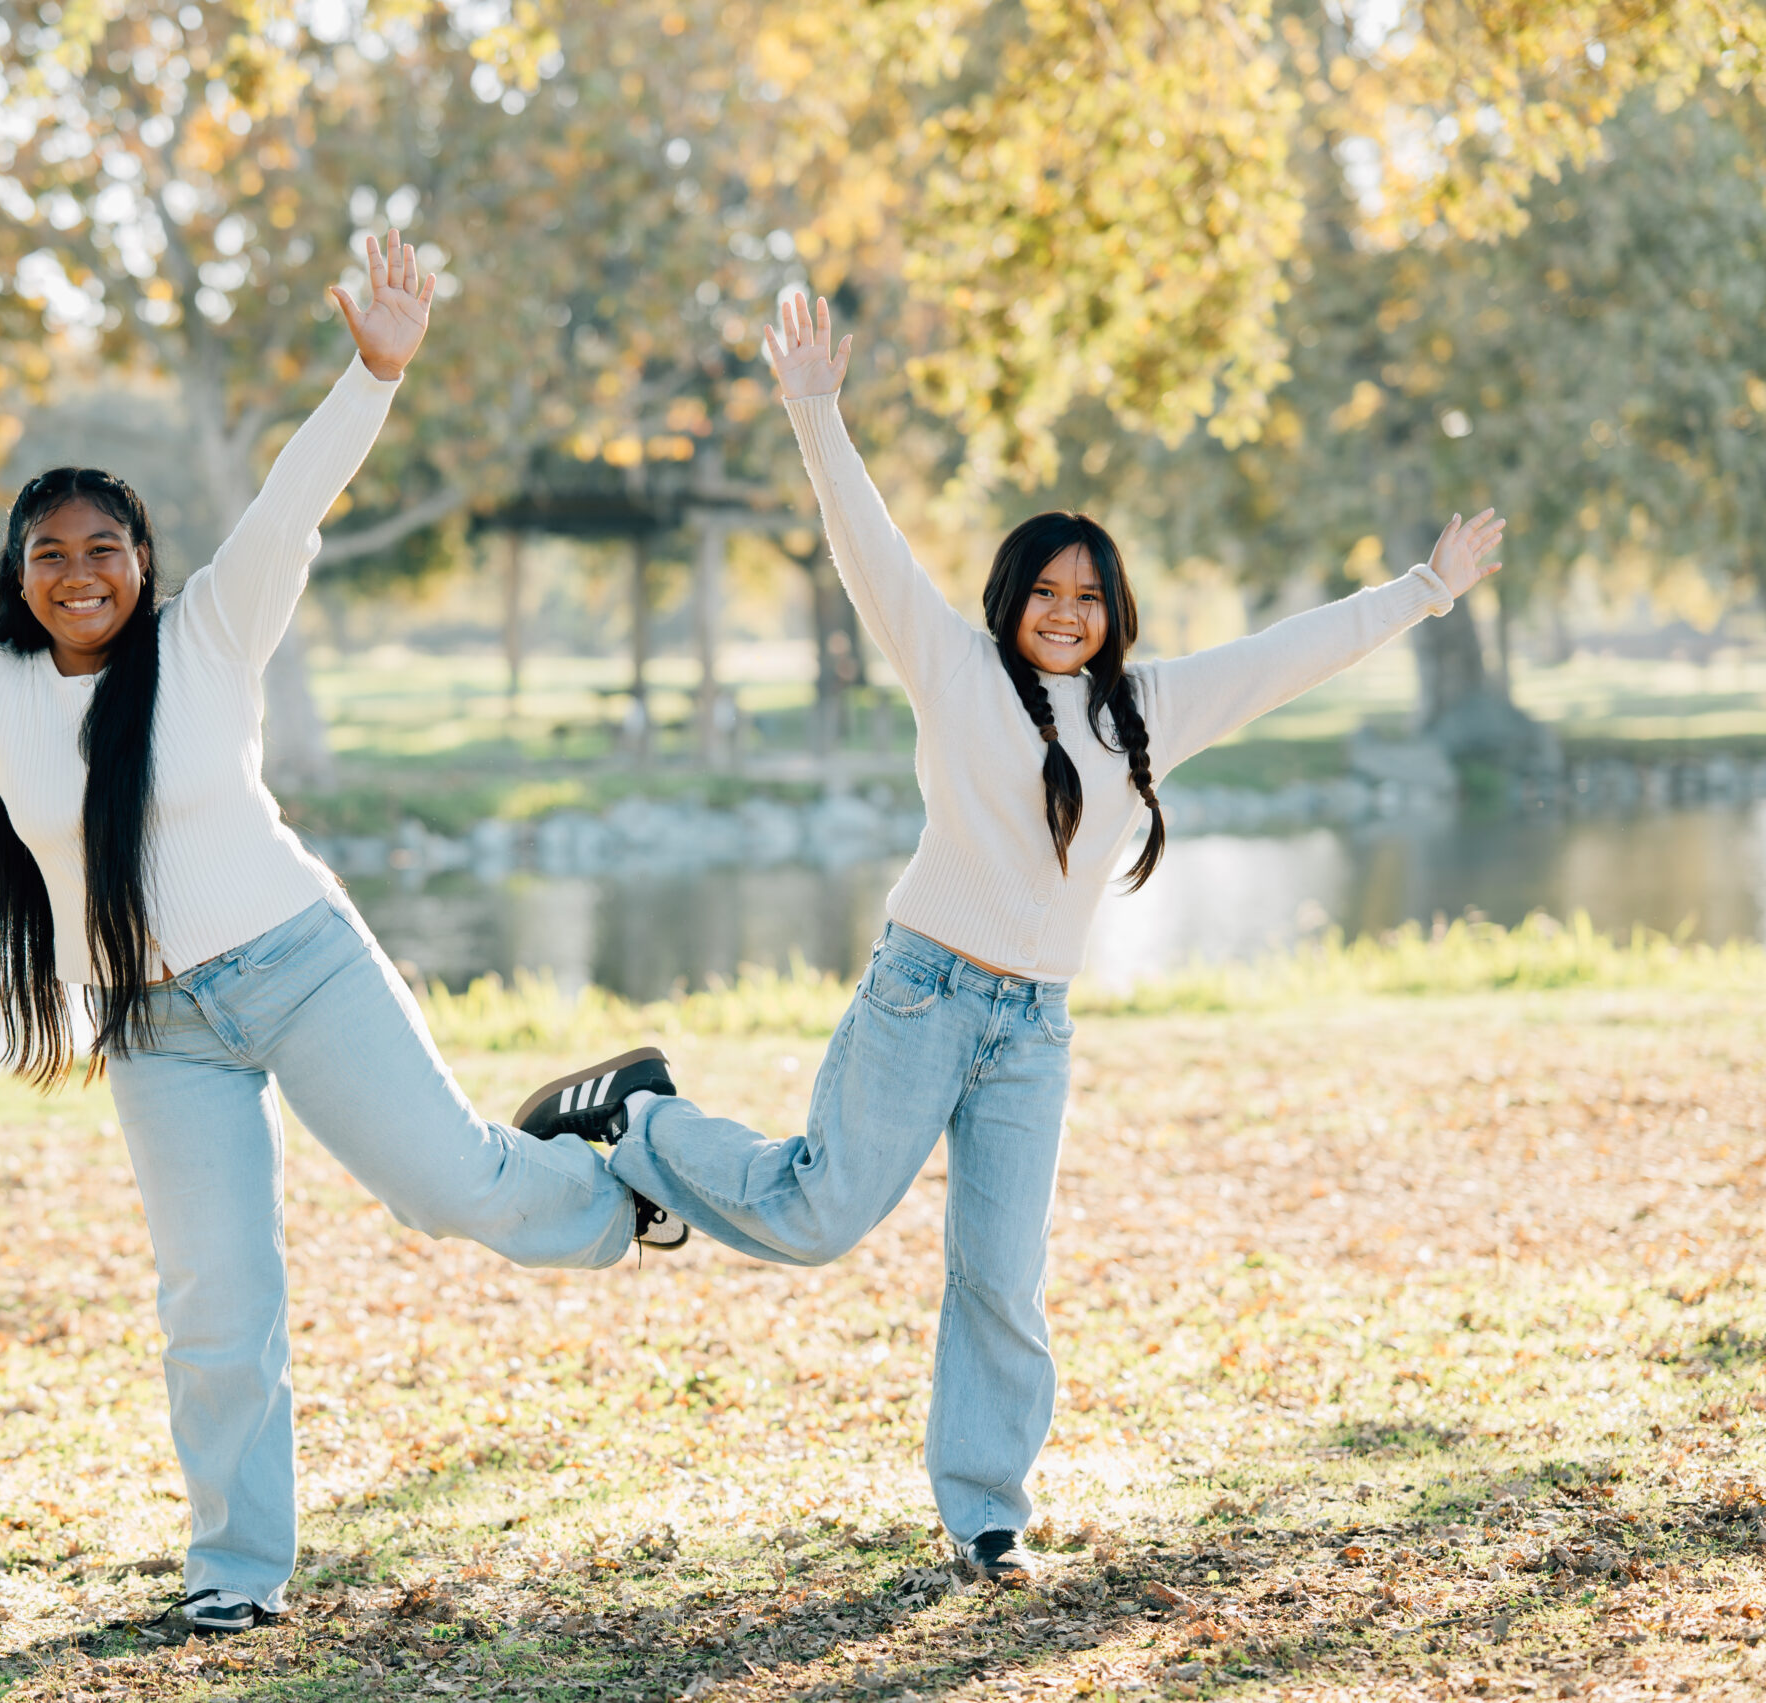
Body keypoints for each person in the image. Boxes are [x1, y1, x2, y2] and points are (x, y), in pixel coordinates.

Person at [0, 232, 658, 1636]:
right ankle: (236, 1572)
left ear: (144, 560)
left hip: (300, 965)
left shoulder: (212, 635)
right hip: (156, 1028)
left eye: (104, 548)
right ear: (20, 577)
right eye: (50, 554)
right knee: (215, 1301)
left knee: (453, 1190)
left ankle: (624, 1178)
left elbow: (293, 504)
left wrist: (373, 374)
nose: (79, 572)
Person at [524, 295, 1507, 1585]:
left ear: (1113, 612)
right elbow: (864, 547)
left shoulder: (1146, 711)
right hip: (923, 994)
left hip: (1034, 1028)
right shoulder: (954, 669)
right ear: (1011, 599)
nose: (1064, 611)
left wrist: (1429, 591)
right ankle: (642, 1125)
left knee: (1002, 1275)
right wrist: (815, 410)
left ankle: (987, 1512)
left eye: (1087, 596)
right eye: (1044, 590)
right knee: (822, 1213)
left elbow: (1288, 655)